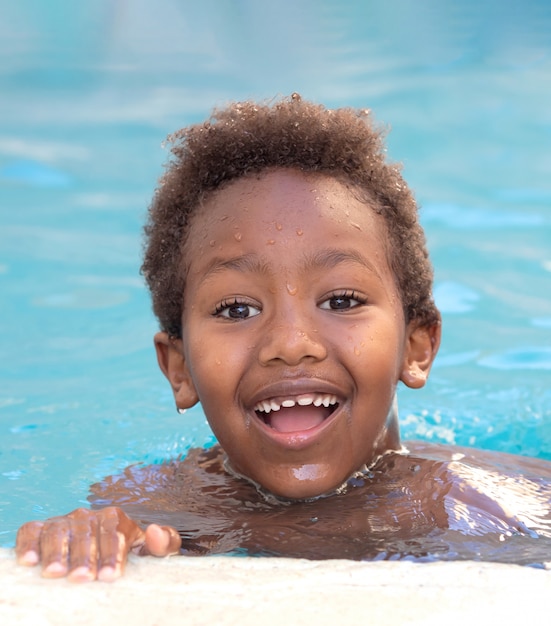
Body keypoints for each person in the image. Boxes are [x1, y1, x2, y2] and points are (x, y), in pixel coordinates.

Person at [15, 94, 551, 582]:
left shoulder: (494, 511)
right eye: (237, 308)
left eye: (341, 301)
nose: (292, 343)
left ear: (417, 347)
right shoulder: (151, 506)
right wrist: (82, 537)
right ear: (179, 369)